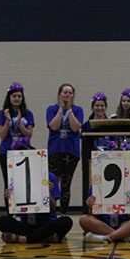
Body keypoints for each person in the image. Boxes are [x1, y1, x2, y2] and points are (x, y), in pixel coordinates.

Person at [0, 163, 73, 243]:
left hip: (46, 223)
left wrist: (47, 192)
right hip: (25, 224)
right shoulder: (17, 177)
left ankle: (25, 238)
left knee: (66, 221)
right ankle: (43, 237)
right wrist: (9, 198)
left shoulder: (50, 177)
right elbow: (12, 212)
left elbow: (53, 208)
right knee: (1, 220)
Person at [46, 83, 84, 213]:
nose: (67, 95)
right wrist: (61, 109)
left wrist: (69, 110)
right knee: (53, 182)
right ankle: (51, 211)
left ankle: (63, 212)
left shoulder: (78, 110)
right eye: (65, 92)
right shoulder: (51, 109)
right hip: (55, 151)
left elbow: (75, 127)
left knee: (66, 185)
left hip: (71, 152)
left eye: (70, 93)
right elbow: (54, 126)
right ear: (59, 95)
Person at [79, 179, 130, 243]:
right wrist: (91, 207)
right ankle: (123, 236)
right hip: (102, 224)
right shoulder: (97, 183)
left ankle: (106, 238)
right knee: (84, 219)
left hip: (125, 224)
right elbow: (93, 215)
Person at [0, 81, 35, 188]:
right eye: (14, 96)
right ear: (9, 97)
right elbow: (2, 136)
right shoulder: (2, 113)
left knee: (22, 183)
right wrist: (8, 121)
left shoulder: (28, 114)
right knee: (8, 184)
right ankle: (8, 205)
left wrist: (19, 123)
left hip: (22, 151)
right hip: (6, 151)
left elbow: (29, 135)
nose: (17, 98)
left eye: (19, 96)